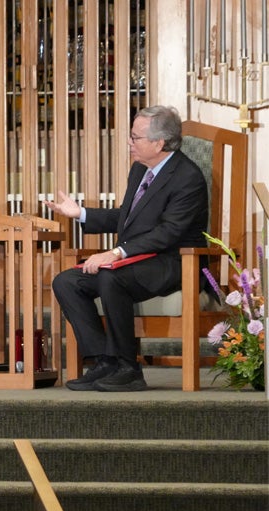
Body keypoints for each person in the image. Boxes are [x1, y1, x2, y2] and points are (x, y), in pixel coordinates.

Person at [44, 105, 208, 392]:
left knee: (111, 276)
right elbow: (126, 216)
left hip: (174, 262)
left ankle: (129, 368)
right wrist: (81, 213)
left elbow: (168, 233)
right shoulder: (140, 170)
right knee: (67, 281)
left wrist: (116, 253)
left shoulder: (187, 177)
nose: (129, 144)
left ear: (159, 143)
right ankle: (105, 361)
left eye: (135, 138)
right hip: (137, 260)